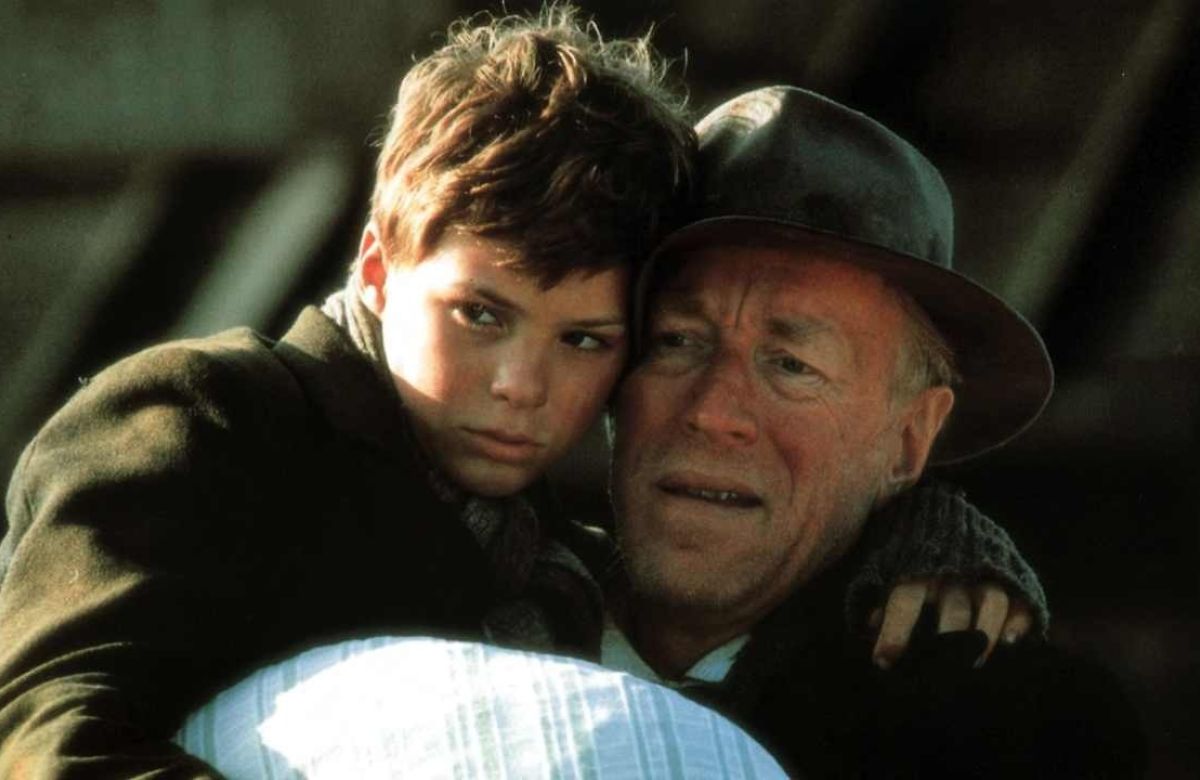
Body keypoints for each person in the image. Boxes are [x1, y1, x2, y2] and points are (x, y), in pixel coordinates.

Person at [0, 7, 1043, 776]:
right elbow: (45, 734)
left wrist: (930, 536)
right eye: (479, 315)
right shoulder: (204, 417)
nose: (519, 387)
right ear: (376, 269)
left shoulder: (528, 539)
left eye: (585, 338)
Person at [601, 85, 1146, 777]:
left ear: (911, 439)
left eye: (792, 364)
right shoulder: (491, 605)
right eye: (676, 341)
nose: (712, 412)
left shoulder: (1005, 739)